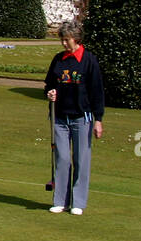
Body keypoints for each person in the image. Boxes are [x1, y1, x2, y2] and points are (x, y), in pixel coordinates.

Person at [43, 21, 104, 215]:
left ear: (76, 38)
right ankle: (60, 200)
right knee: (61, 158)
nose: (63, 43)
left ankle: (78, 202)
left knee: (81, 159)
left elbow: (97, 92)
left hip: (82, 117)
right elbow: (49, 84)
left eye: (66, 40)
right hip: (60, 117)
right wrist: (50, 93)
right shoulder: (58, 60)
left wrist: (98, 119)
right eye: (61, 39)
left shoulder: (88, 60)